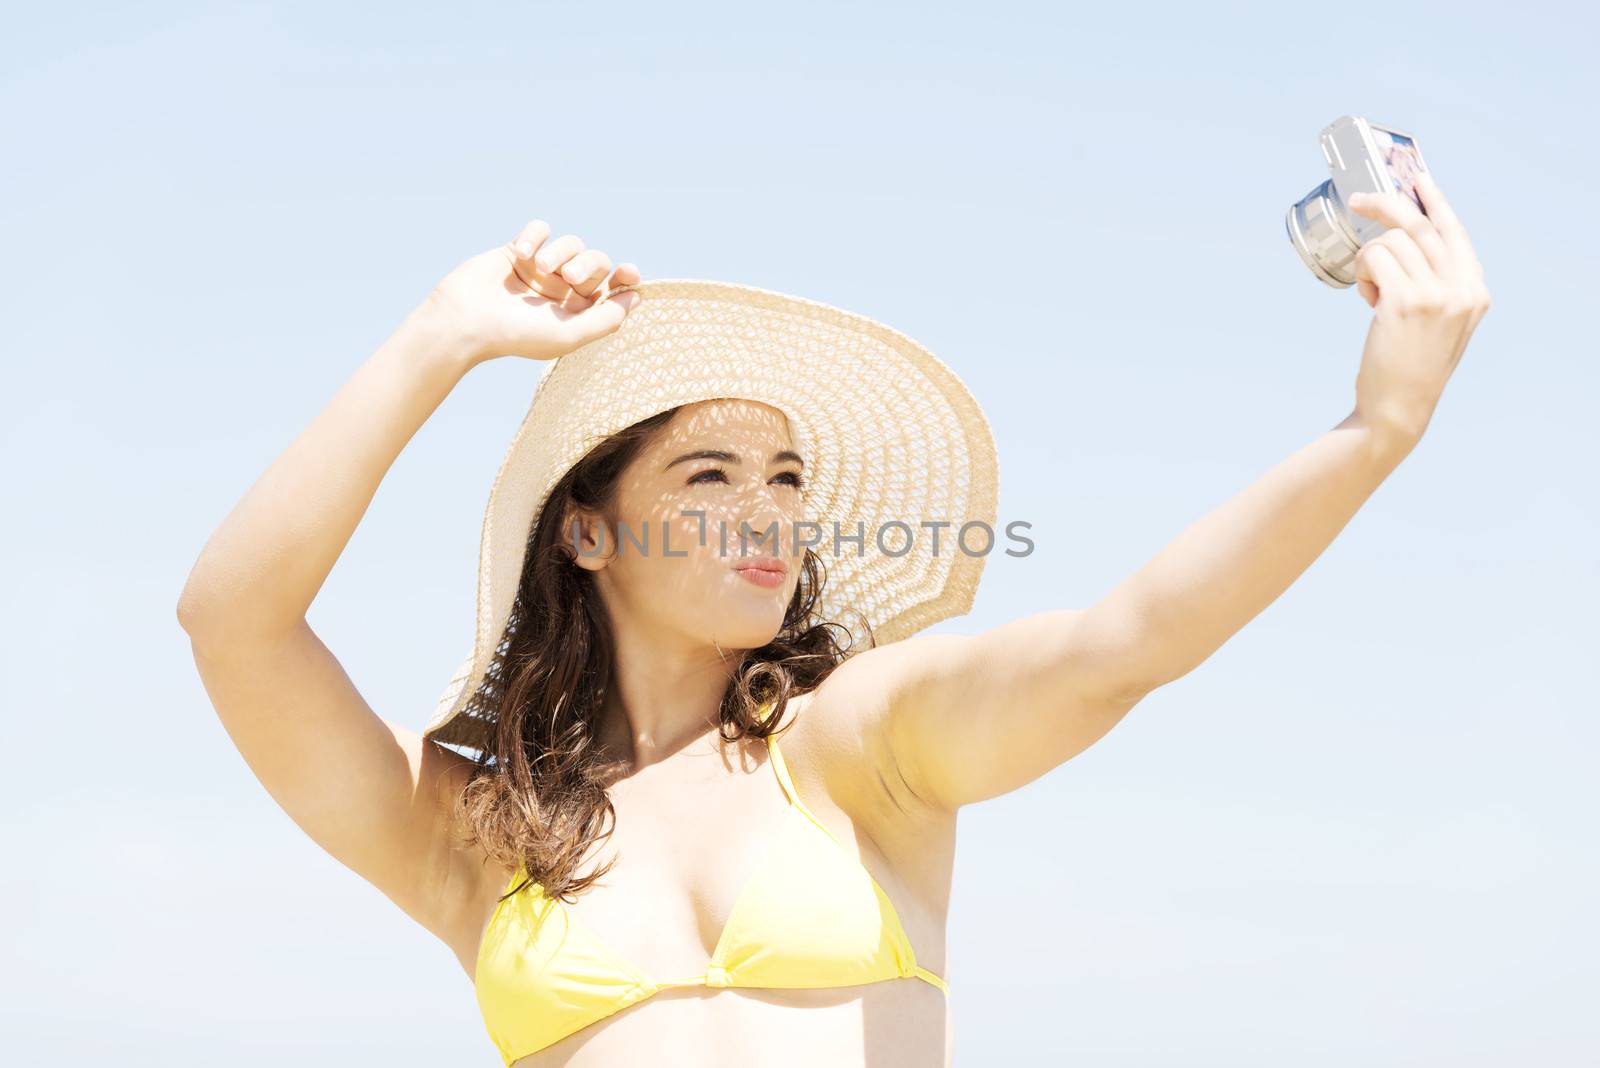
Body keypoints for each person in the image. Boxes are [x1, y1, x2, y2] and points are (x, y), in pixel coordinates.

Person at [177, 175, 1490, 1066]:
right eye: (709, 477)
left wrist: (1377, 432)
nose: (767, 517)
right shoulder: (479, 831)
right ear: (586, 531)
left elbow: (1124, 642)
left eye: (786, 480)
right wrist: (439, 338)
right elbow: (232, 621)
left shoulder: (857, 744)